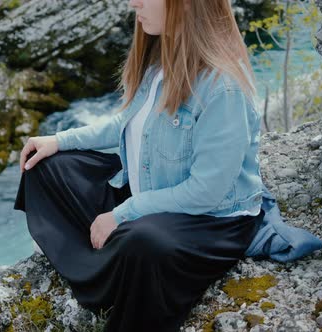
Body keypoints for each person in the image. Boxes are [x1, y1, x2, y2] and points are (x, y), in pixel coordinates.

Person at [13, 0, 266, 330]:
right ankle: (111, 261)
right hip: (151, 192)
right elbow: (127, 121)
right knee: (46, 167)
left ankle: (111, 264)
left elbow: (206, 192)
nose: (134, 3)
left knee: (144, 242)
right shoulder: (162, 56)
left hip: (209, 221)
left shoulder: (223, 86)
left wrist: (121, 214)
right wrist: (60, 140)